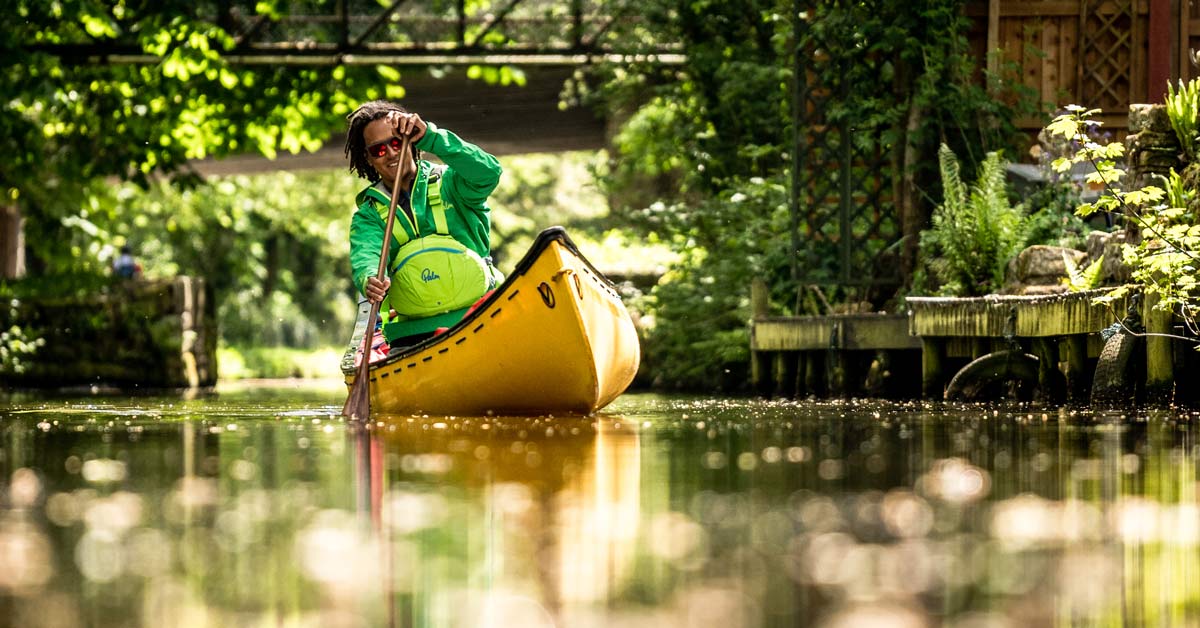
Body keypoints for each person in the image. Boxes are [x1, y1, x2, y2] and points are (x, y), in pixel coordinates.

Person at [344, 101, 504, 353]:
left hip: (482, 315)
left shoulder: (453, 183)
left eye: (396, 142)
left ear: (410, 140)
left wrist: (432, 137)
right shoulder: (368, 216)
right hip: (412, 334)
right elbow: (366, 256)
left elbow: (489, 172)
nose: (391, 153)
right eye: (379, 150)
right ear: (369, 158)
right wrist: (370, 278)